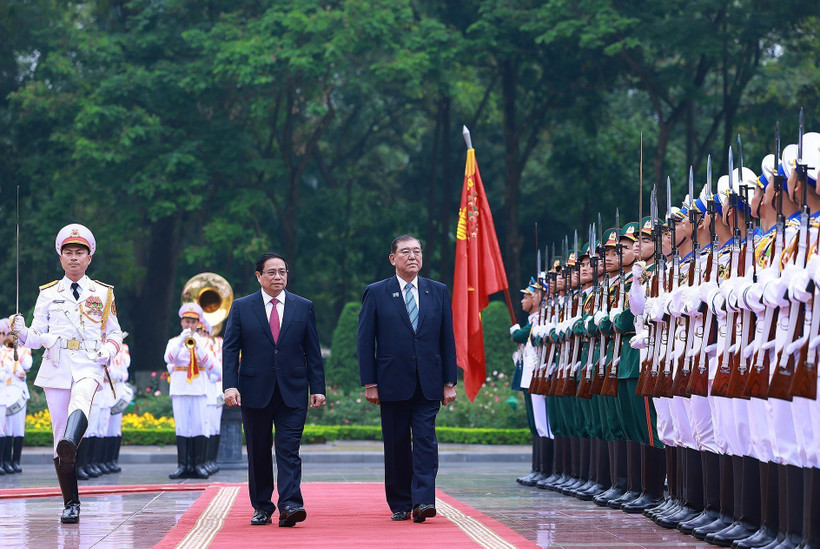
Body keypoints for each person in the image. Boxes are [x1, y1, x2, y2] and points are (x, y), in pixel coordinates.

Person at [12, 223, 123, 523]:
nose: (74, 258)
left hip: (89, 362)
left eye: (80, 252)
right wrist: (22, 332)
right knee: (58, 433)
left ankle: (70, 444)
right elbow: (36, 337)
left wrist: (109, 351)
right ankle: (71, 502)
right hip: (57, 364)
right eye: (68, 252)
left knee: (82, 401)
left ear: (89, 258)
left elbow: (115, 334)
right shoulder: (48, 294)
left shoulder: (102, 292)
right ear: (60, 257)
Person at [356, 234, 458, 523]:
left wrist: (449, 381)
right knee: (397, 443)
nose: (412, 256)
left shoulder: (437, 291)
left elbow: (446, 338)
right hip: (391, 382)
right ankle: (401, 501)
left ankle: (424, 501)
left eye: (417, 251)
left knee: (426, 441)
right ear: (393, 259)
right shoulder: (376, 292)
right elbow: (365, 342)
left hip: (429, 381)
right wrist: (370, 383)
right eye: (405, 252)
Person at [222, 252, 326, 527]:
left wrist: (318, 387)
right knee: (258, 450)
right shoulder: (242, 307)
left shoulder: (303, 307)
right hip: (254, 390)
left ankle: (291, 504)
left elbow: (313, 352)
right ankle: (262, 506)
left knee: (289, 449)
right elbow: (231, 349)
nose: (278, 277)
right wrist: (230, 385)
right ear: (259, 276)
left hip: (293, 390)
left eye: (282, 272)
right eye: (272, 272)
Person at [165, 303, 214, 480]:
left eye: (193, 322)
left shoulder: (204, 342)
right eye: (186, 321)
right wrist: (181, 341)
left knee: (199, 426)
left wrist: (198, 345)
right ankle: (183, 465)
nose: (189, 325)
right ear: (182, 322)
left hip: (199, 388)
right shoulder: (173, 342)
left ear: (197, 324)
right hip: (179, 388)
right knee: (182, 426)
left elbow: (210, 364)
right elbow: (168, 358)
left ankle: (198, 465)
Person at [0, 318, 32, 473]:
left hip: (19, 392)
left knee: (18, 429)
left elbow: (27, 365)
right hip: (5, 393)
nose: (9, 337)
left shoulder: (21, 350)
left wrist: (18, 347)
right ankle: (5, 461)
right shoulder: (3, 352)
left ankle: (15, 461)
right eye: (7, 333)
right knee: (6, 429)